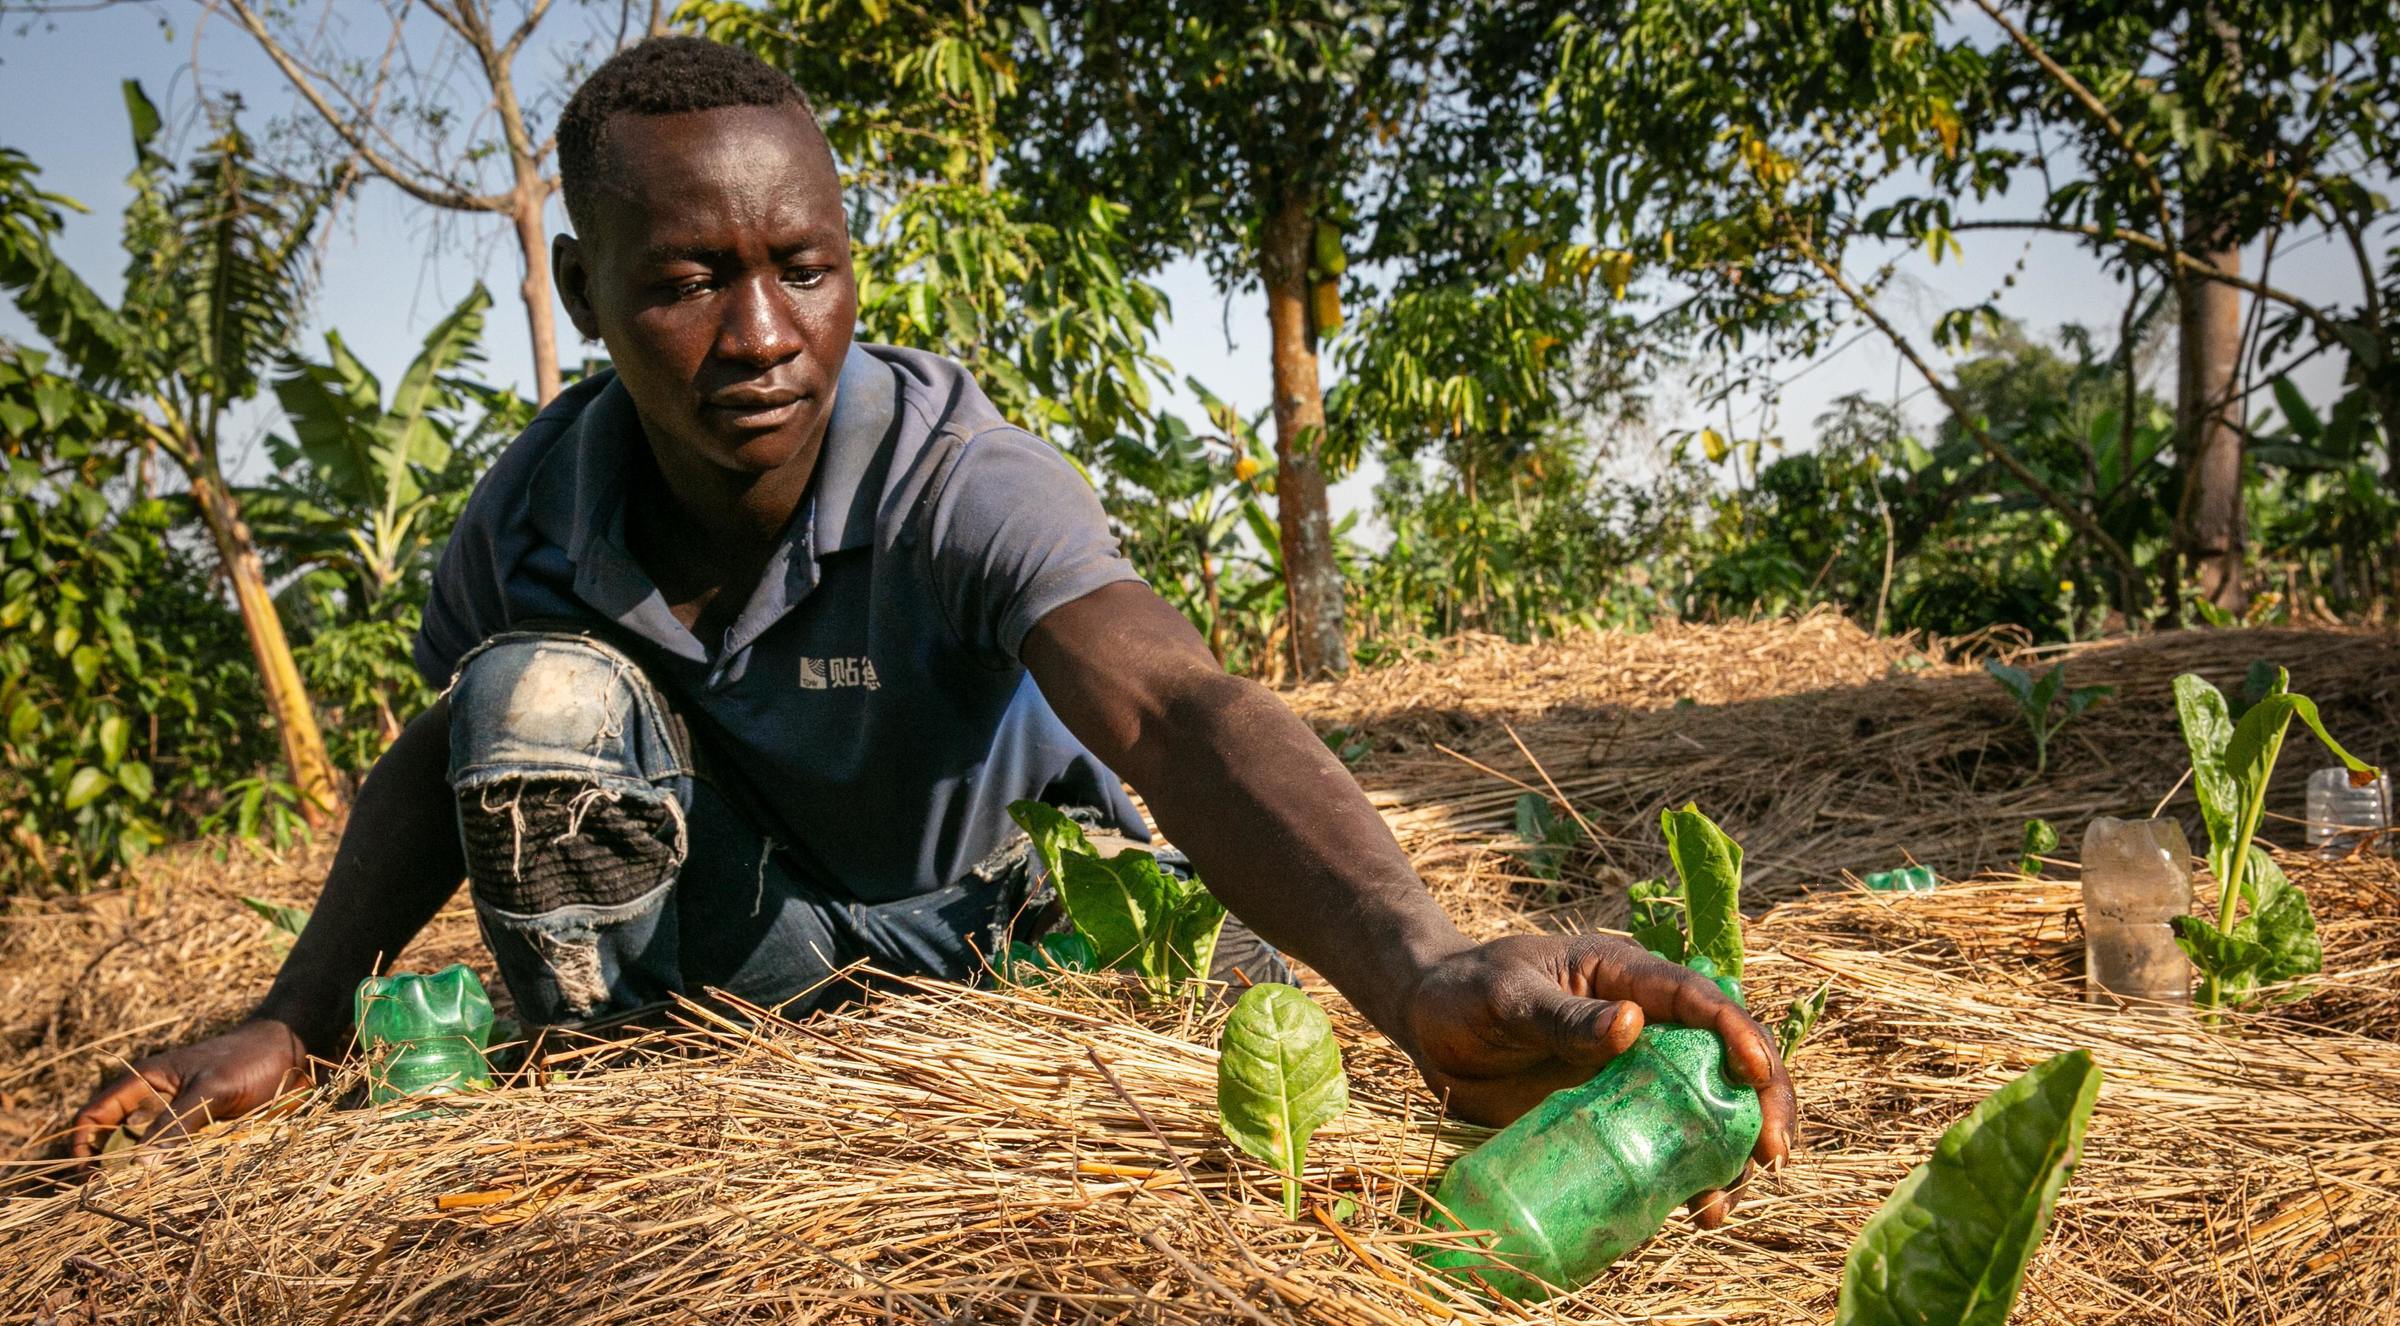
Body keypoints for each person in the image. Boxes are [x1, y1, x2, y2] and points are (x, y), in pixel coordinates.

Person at [68, 37, 1794, 1219]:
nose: (760, 332)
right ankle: (615, 1120)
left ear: (850, 267)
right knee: (515, 694)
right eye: (684, 280)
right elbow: (443, 761)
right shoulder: (527, 517)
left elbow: (1179, 712)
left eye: (801, 265)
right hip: (750, 979)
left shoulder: (960, 477)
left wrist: (1418, 969)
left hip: (1015, 940)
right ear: (587, 290)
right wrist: (300, 1018)